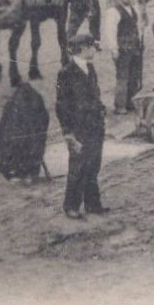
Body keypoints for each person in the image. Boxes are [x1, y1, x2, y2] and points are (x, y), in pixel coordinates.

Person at [55, 34, 108, 220]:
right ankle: (71, 205)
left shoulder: (90, 68)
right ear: (83, 48)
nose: (94, 49)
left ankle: (93, 203)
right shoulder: (66, 72)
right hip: (79, 129)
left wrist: (101, 109)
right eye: (92, 46)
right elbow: (61, 106)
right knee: (78, 167)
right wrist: (68, 133)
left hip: (95, 125)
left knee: (94, 164)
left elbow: (95, 94)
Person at [107, 0, 144, 114]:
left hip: (134, 48)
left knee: (134, 76)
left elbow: (138, 27)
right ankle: (120, 106)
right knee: (122, 77)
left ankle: (131, 102)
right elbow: (110, 31)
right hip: (122, 49)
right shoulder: (114, 12)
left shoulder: (134, 10)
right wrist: (113, 48)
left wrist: (139, 40)